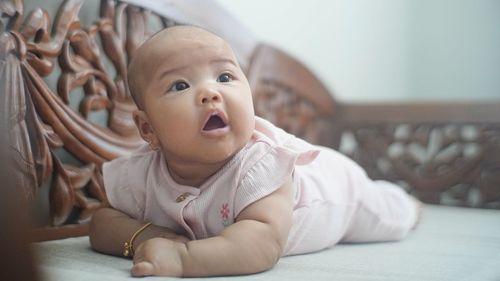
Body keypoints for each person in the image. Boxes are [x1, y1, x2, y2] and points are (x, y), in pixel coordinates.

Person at [89, 25, 421, 278]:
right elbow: (101, 223)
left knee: (390, 214)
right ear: (147, 129)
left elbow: (261, 244)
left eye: (224, 76)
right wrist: (145, 236)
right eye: (180, 85)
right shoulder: (142, 175)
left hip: (338, 191)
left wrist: (182, 258)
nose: (210, 92)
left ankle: (410, 204)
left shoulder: (260, 165)